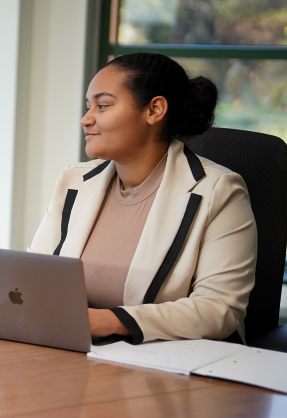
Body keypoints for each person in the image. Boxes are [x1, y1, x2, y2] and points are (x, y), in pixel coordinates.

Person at [29, 52, 257, 343]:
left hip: (165, 364)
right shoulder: (73, 180)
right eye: (88, 107)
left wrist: (108, 321)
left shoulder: (219, 190)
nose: (86, 119)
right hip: (75, 347)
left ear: (154, 110)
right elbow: (35, 274)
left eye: (102, 105)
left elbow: (219, 310)